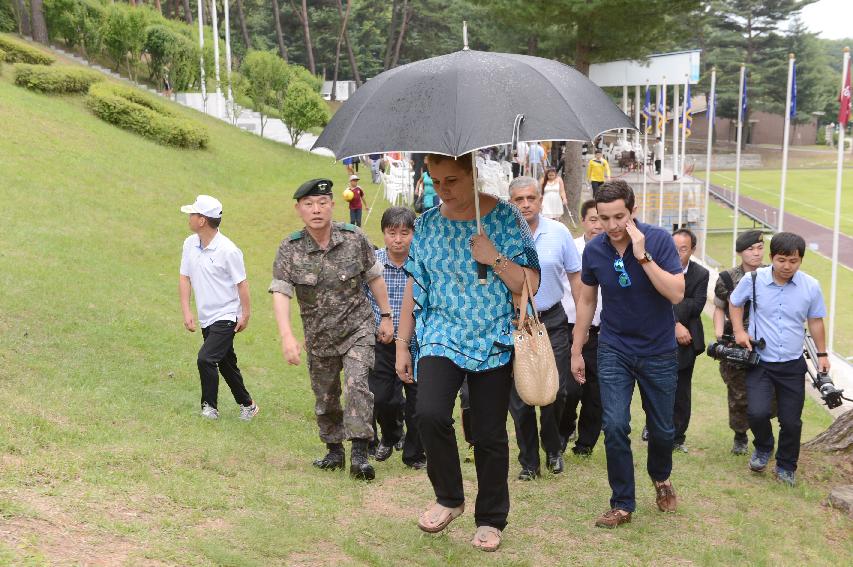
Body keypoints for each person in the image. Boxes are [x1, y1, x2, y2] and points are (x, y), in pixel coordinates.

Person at [395, 153, 540, 552]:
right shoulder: (425, 223)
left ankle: (491, 517)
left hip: (493, 337)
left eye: (452, 180)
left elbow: (530, 284)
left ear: (473, 175)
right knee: (428, 413)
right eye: (436, 180)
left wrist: (493, 257)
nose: (443, 189)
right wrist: (403, 344)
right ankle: (449, 497)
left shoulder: (507, 218)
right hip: (440, 333)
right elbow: (414, 286)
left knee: (489, 432)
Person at [571, 179, 684, 529]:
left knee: (663, 430)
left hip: (658, 350)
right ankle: (622, 503)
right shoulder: (594, 250)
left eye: (619, 216)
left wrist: (643, 255)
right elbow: (587, 300)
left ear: (633, 211)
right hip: (614, 347)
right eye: (604, 218)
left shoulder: (659, 240)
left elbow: (676, 294)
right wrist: (576, 348)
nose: (612, 225)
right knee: (615, 425)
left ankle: (661, 476)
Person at [269, 178, 395, 481]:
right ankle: (334, 449)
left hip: (358, 328)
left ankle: (361, 453)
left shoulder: (354, 238)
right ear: (299, 209)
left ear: (332, 206)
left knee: (357, 384)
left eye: (322, 203)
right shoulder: (290, 248)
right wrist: (287, 335)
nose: (316, 210)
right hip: (319, 334)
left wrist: (387, 316)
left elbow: (375, 278)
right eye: (309, 204)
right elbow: (281, 292)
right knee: (326, 395)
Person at [729, 232, 829, 487]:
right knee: (757, 412)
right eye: (782, 260)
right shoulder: (753, 280)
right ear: (772, 257)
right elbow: (735, 303)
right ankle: (763, 448)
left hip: (793, 365)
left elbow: (815, 321)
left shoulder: (811, 286)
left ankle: (786, 466)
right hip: (760, 362)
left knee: (791, 421)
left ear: (801, 260)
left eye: (793, 261)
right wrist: (740, 331)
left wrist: (822, 354)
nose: (787, 266)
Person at [507, 176, 581, 480]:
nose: (525, 204)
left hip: (552, 320)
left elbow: (576, 278)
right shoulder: (500, 235)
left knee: (556, 390)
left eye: (531, 198)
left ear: (540, 200)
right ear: (509, 202)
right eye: (518, 200)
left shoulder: (559, 232)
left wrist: (581, 325)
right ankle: (529, 462)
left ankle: (553, 448)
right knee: (521, 395)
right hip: (513, 323)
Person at [179, 195, 259, 421]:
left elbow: (241, 283)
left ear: (202, 220)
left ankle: (209, 407)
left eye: (192, 214)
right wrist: (187, 311)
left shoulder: (228, 250)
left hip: (226, 315)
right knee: (226, 363)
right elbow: (184, 278)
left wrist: (245, 314)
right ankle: (248, 404)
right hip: (206, 316)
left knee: (206, 358)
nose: (189, 217)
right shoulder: (189, 244)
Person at [366, 207, 426, 469]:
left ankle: (414, 454)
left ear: (414, 234)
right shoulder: (373, 263)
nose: (398, 239)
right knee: (381, 398)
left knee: (419, 402)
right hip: (383, 342)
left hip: (418, 343)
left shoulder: (422, 262)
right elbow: (362, 299)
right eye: (392, 233)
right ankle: (391, 435)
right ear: (384, 234)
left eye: (405, 233)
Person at [712, 230, 767, 455]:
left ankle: (763, 436)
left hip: (766, 342)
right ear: (740, 252)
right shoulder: (727, 278)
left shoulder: (771, 274)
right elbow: (719, 307)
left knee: (768, 394)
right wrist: (718, 336)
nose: (756, 253)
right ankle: (740, 436)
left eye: (760, 248)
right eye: (750, 249)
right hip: (736, 343)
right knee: (738, 394)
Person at [559, 200, 604, 457]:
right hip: (570, 327)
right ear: (584, 221)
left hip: (603, 330)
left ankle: (586, 443)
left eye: (602, 219)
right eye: (593, 219)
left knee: (596, 391)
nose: (598, 225)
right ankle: (564, 431)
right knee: (570, 389)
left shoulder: (615, 251)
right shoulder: (572, 248)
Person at [669, 228, 709, 453]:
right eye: (674, 249)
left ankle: (678, 436)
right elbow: (654, 299)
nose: (678, 254)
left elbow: (697, 305)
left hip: (687, 340)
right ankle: (653, 425)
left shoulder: (700, 274)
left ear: (692, 250)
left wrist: (672, 308)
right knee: (654, 385)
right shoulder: (658, 268)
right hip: (659, 336)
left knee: (681, 390)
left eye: (683, 249)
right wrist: (674, 323)